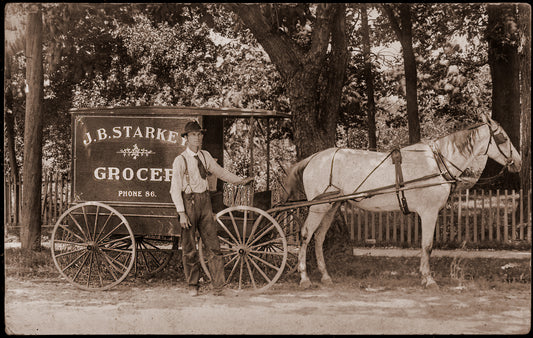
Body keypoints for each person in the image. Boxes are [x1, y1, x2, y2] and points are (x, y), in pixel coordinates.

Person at [170, 120, 254, 296]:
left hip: (205, 202)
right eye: (193, 135)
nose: (197, 138)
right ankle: (193, 285)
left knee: (213, 246)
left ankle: (219, 287)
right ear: (186, 138)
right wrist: (181, 213)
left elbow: (220, 172)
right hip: (189, 204)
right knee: (189, 247)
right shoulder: (180, 160)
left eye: (199, 134)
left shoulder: (205, 156)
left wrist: (239, 180)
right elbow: (174, 189)